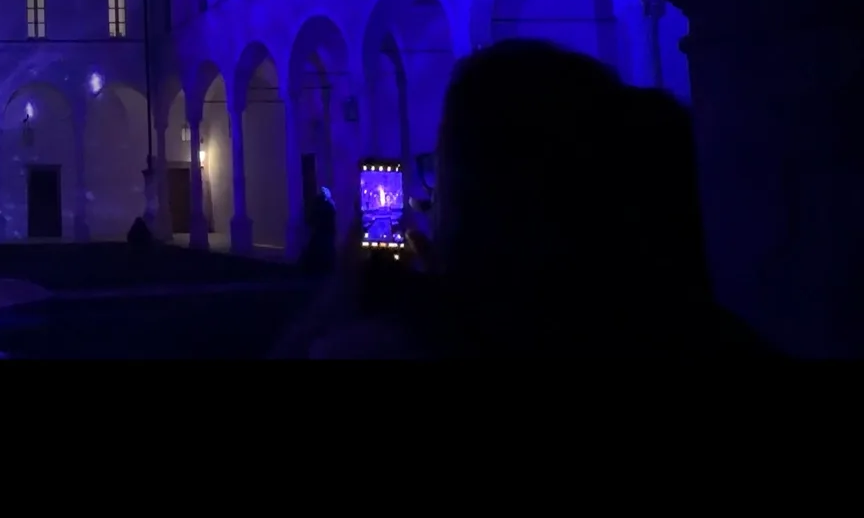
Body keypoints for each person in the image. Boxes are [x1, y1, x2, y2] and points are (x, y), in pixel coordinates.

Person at [271, 39, 773, 358]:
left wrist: (353, 294)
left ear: (477, 203)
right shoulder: (703, 331)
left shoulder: (408, 342)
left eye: (438, 175)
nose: (431, 198)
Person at [300, 186, 337, 277]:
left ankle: (319, 268)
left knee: (320, 249)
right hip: (324, 232)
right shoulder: (328, 205)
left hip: (322, 232)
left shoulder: (321, 205)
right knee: (323, 250)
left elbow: (312, 218)